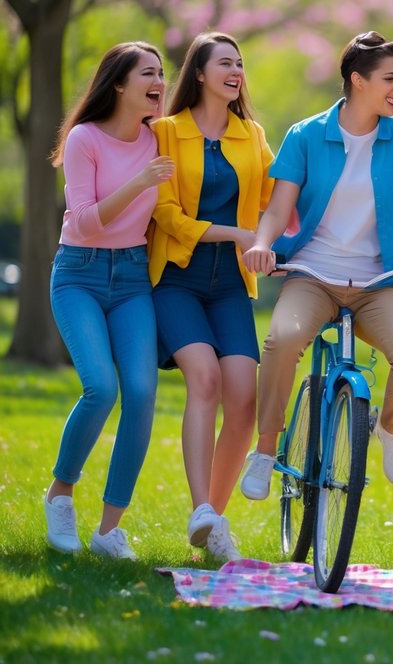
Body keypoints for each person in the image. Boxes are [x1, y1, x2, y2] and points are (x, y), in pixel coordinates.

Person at [238, 31, 393, 502]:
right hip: (312, 274)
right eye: (390, 78)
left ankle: (392, 429)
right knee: (283, 339)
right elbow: (277, 209)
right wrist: (263, 244)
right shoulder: (307, 134)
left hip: (376, 282)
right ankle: (266, 449)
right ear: (358, 80)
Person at [45, 41, 175, 559]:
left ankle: (107, 531)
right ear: (119, 84)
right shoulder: (85, 138)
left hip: (132, 278)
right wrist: (141, 180)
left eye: (162, 73)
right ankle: (60, 494)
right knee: (100, 387)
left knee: (142, 393)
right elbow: (83, 221)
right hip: (78, 274)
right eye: (148, 72)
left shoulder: (160, 137)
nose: (160, 81)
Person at [148, 32, 274, 561]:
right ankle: (201, 505)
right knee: (205, 378)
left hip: (231, 286)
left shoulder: (253, 135)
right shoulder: (166, 132)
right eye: (225, 62)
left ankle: (213, 524)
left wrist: (267, 237)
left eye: (240, 63)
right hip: (177, 277)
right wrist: (236, 235)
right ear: (198, 73)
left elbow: (274, 199)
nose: (236, 71)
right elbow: (165, 212)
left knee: (243, 398)